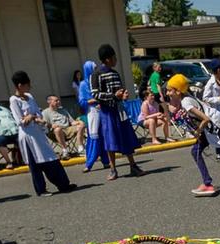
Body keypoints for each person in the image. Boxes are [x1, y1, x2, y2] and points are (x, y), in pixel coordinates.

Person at [9, 71, 76, 197]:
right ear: (19, 85)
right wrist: (29, 117)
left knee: (51, 159)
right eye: (27, 84)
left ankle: (63, 184)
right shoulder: (14, 100)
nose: (29, 87)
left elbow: (38, 114)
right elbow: (20, 121)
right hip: (28, 136)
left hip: (38, 132)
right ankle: (41, 189)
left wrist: (32, 116)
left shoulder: (30, 96)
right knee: (35, 163)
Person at [90, 44, 145, 181]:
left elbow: (120, 89)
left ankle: (133, 165)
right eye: (114, 57)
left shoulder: (115, 73)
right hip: (107, 111)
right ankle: (113, 169)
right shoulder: (96, 74)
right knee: (110, 139)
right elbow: (95, 95)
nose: (116, 60)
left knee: (126, 135)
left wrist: (123, 95)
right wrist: (114, 96)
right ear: (107, 59)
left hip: (119, 109)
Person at [77, 60, 109, 173]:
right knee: (94, 135)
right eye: (94, 68)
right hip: (92, 111)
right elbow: (81, 101)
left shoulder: (98, 80)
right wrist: (94, 100)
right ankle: (89, 163)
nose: (96, 70)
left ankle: (106, 161)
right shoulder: (83, 84)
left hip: (102, 109)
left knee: (103, 135)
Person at [42, 95, 86, 160]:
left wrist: (79, 122)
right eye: (56, 100)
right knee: (58, 129)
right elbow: (44, 124)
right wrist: (51, 125)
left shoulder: (63, 110)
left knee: (81, 125)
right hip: (54, 133)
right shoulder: (45, 112)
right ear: (49, 102)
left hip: (67, 130)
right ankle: (65, 150)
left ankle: (80, 148)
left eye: (58, 100)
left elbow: (72, 122)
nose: (58, 102)